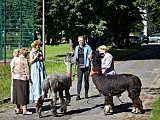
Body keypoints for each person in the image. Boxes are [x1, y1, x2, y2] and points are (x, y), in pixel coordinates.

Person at [12, 48, 32, 115]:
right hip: (23, 78)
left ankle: (17, 109)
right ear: (25, 54)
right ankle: (24, 110)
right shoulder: (25, 60)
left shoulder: (15, 59)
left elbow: (13, 69)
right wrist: (30, 80)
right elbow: (27, 71)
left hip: (15, 78)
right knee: (24, 93)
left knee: (17, 94)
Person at [74, 36, 92, 100]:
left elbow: (90, 54)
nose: (81, 42)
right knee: (79, 80)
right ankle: (78, 95)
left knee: (86, 80)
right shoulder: (76, 48)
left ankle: (86, 93)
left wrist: (90, 56)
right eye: (80, 40)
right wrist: (75, 58)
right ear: (78, 41)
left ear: (84, 40)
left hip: (86, 65)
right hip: (79, 66)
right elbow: (75, 55)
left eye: (82, 40)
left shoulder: (88, 47)